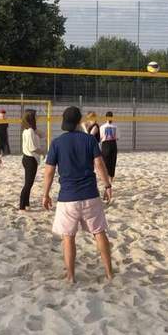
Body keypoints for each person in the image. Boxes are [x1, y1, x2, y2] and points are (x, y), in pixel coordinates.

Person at [43, 106, 114, 283]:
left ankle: (71, 276)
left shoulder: (57, 143)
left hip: (68, 198)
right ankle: (109, 273)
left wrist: (45, 194)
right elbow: (99, 165)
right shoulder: (89, 140)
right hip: (90, 194)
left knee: (68, 237)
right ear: (79, 121)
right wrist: (107, 185)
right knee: (99, 233)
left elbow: (49, 172)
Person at [19, 109, 44, 211]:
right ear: (31, 118)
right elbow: (32, 148)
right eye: (35, 116)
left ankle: (26, 204)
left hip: (29, 159)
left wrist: (36, 130)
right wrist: (43, 152)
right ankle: (21, 206)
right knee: (28, 184)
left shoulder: (30, 130)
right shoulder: (29, 132)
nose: (36, 117)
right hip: (30, 159)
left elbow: (43, 135)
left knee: (29, 184)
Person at [99, 111, 119, 183]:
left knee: (105, 162)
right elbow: (117, 137)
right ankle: (111, 180)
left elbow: (100, 137)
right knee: (113, 162)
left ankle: (106, 179)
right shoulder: (115, 127)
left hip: (105, 144)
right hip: (113, 144)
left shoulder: (102, 127)